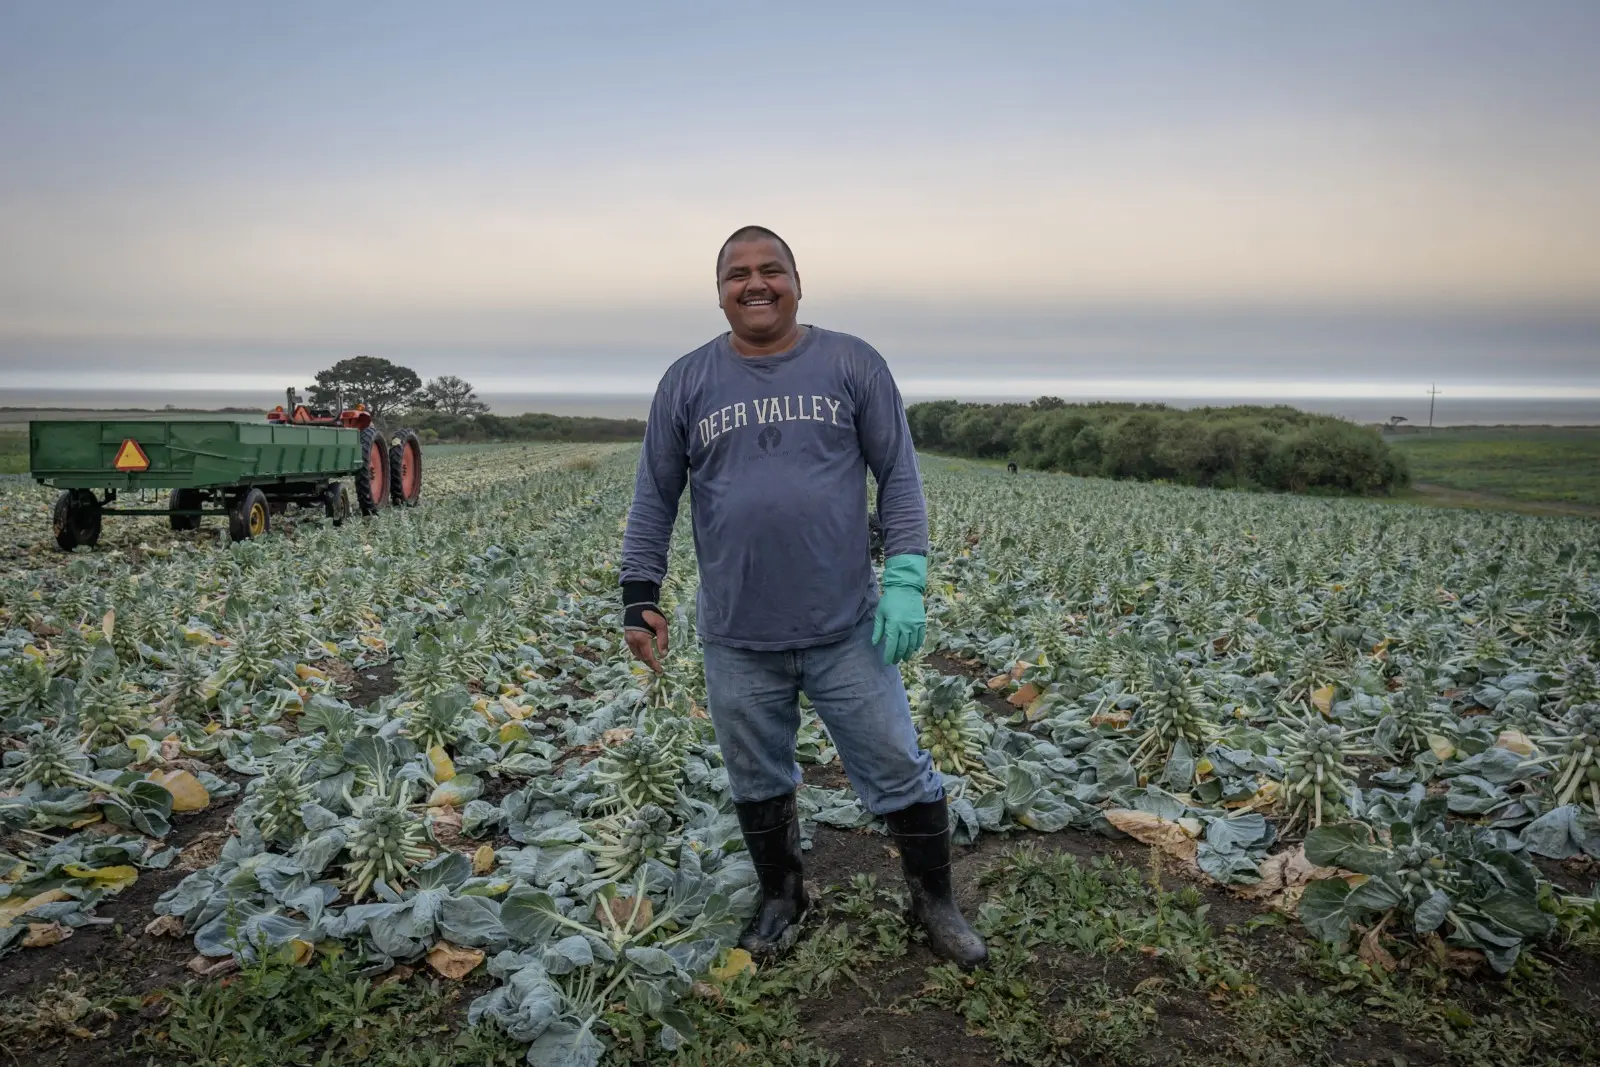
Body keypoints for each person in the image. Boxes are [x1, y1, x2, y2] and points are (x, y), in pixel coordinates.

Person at [618, 225, 987, 970]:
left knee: (896, 763)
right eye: (737, 274)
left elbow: (901, 477)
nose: (755, 284)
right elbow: (654, 495)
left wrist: (907, 580)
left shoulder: (852, 362)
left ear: (796, 279)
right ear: (719, 290)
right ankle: (784, 896)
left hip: (847, 626)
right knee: (756, 775)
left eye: (770, 270)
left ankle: (935, 903)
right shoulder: (686, 381)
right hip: (736, 633)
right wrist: (639, 593)